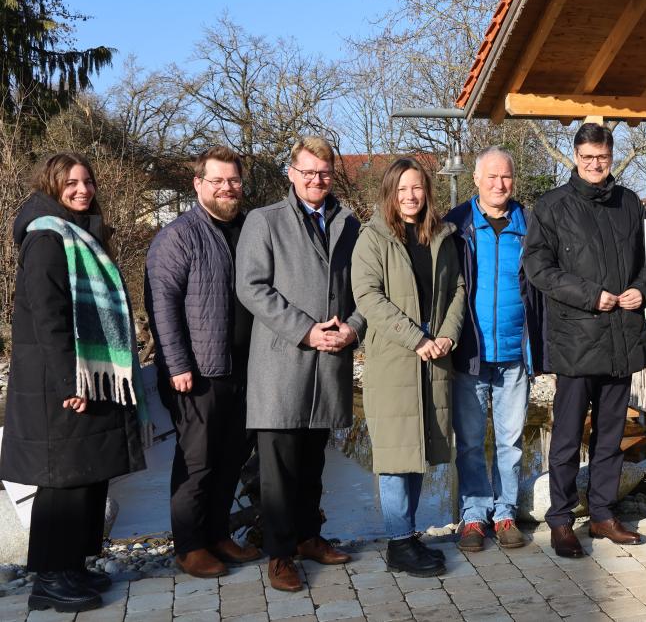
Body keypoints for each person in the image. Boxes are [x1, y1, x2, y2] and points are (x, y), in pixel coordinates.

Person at [1, 153, 147, 614]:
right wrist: (71, 381)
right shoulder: (47, 238)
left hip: (84, 374)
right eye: (71, 183)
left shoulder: (77, 232)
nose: (83, 189)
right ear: (51, 185)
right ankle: (49, 578)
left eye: (87, 181)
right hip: (58, 382)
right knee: (60, 480)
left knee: (85, 473)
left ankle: (72, 565)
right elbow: (49, 318)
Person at [236, 137, 364, 592]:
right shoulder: (263, 220)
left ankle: (310, 537)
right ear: (290, 173)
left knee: (314, 462)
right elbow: (252, 288)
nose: (316, 180)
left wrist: (353, 327)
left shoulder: (349, 223)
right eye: (307, 172)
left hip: (330, 362)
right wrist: (306, 329)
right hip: (283, 363)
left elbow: (366, 288)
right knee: (277, 470)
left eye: (324, 173)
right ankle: (280, 554)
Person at [523, 123, 646, 558]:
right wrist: (590, 296)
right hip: (576, 340)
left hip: (621, 339)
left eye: (602, 157)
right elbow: (538, 268)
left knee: (611, 437)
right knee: (566, 437)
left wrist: (642, 288)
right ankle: (561, 520)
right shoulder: (552, 206)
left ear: (612, 156)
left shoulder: (630, 203)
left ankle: (602, 514)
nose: (595, 164)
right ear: (575, 157)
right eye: (587, 157)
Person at [145, 146, 260, 579]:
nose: (228, 188)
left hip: (243, 369)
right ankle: (189, 546)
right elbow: (162, 306)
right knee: (197, 463)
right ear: (198, 185)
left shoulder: (248, 229)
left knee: (231, 458)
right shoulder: (178, 236)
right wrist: (177, 365)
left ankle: (217, 535)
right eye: (218, 181)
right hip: (196, 374)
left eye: (233, 181)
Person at [352, 157, 465, 577]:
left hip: (434, 358)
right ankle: (398, 543)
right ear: (389, 194)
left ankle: (407, 534)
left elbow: (457, 288)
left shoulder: (440, 235)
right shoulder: (373, 238)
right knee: (396, 455)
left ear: (427, 191)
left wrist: (447, 336)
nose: (410, 197)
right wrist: (416, 338)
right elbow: (368, 296)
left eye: (416, 188)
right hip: (395, 361)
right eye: (401, 190)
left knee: (419, 450)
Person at [445, 147, 543, 552]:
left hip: (514, 354)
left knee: (511, 440)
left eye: (506, 177)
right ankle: (472, 516)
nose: (500, 185)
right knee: (468, 441)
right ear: (476, 180)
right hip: (469, 351)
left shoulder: (530, 224)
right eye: (492, 177)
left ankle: (504, 512)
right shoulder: (456, 224)